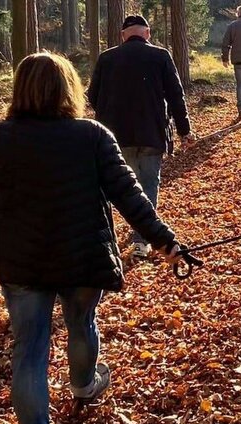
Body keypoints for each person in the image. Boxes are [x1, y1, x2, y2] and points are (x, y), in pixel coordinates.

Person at [0, 52, 184, 424]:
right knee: (81, 323)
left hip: (21, 264)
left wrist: (15, 232)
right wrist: (164, 240)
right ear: (68, 88)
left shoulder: (0, 137)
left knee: (29, 351)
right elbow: (130, 195)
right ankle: (84, 385)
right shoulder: (91, 135)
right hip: (82, 257)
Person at [88, 14, 194, 258]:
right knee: (147, 185)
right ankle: (141, 240)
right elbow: (176, 97)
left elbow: (92, 96)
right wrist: (184, 130)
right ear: (147, 33)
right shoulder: (160, 56)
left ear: (123, 35)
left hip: (115, 136)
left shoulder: (107, 58)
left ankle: (114, 239)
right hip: (151, 133)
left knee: (122, 187)